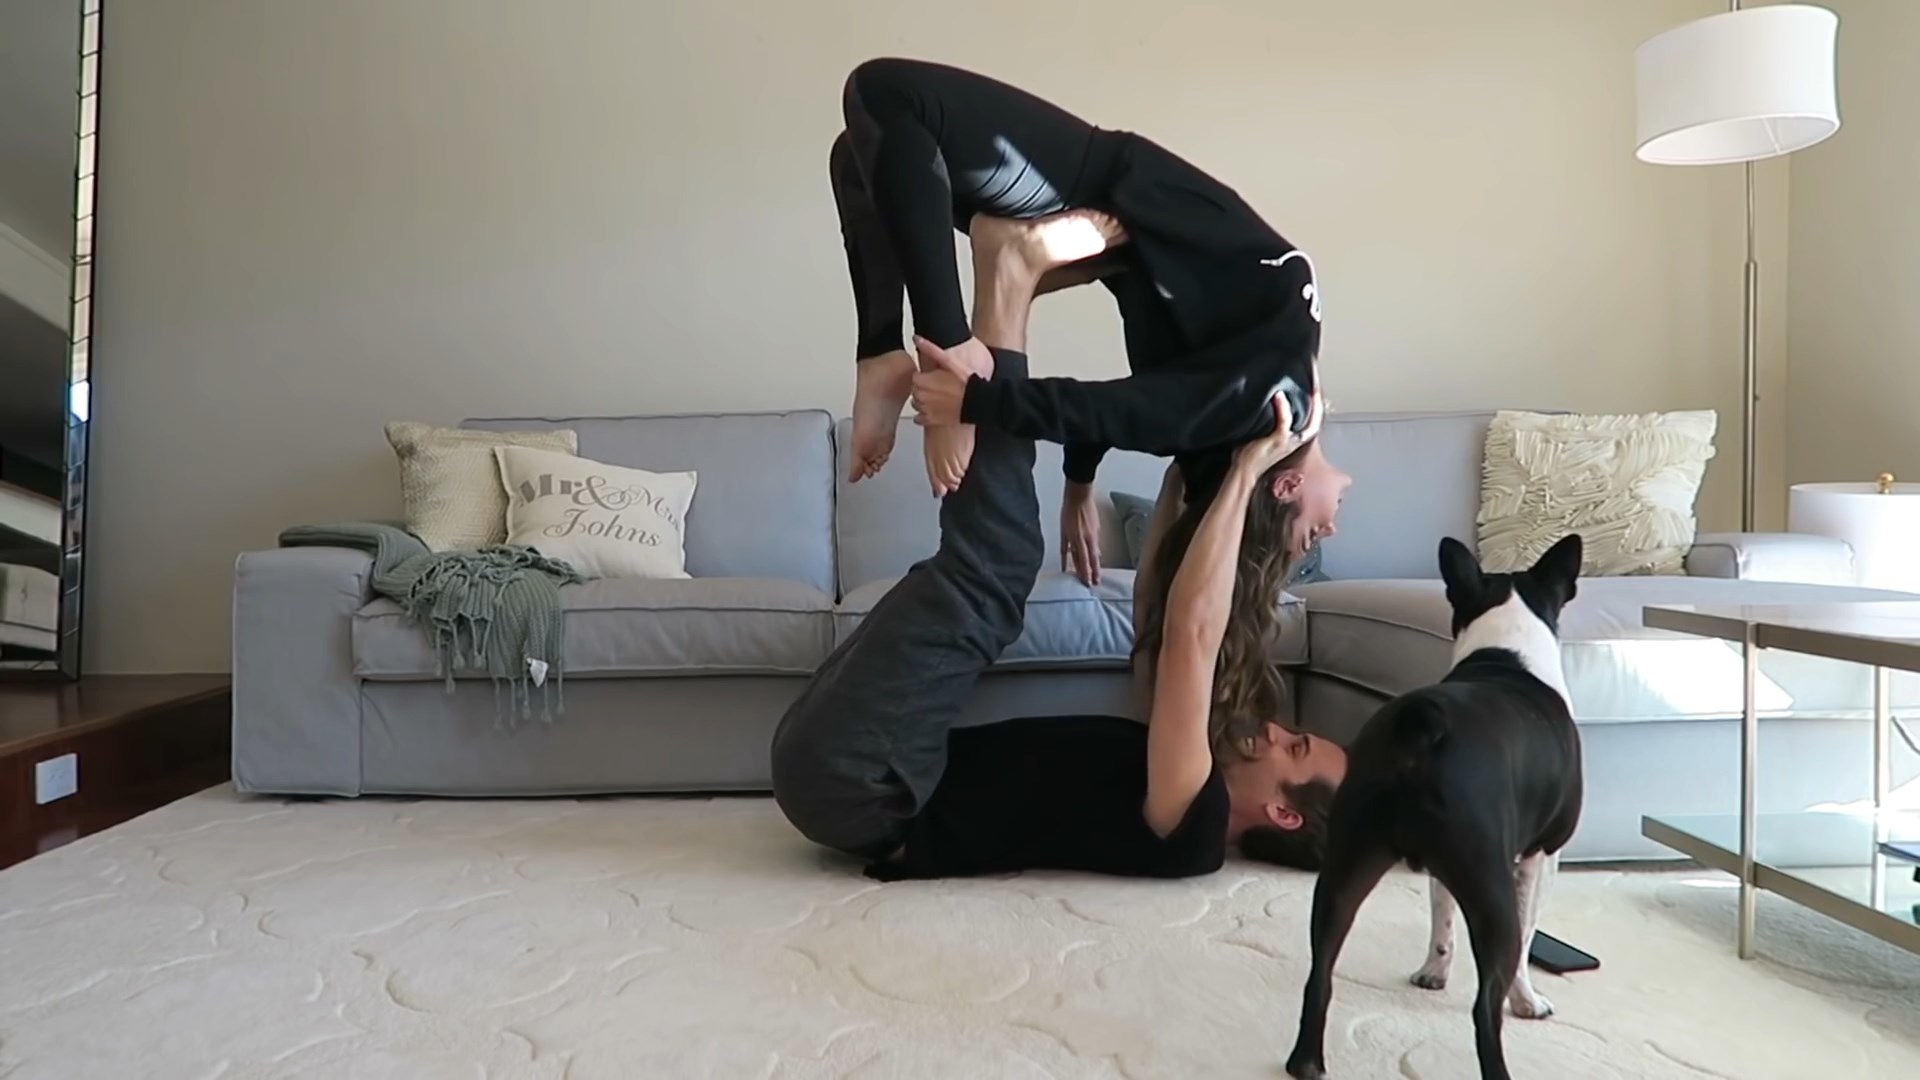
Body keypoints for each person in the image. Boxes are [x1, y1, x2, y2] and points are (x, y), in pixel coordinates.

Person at [770, 236, 1346, 880]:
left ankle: (1003, 293)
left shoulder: (1195, 826)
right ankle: (1002, 295)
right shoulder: (1177, 766)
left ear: (1283, 814)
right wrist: (1187, 469)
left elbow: (1193, 636)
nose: (1276, 730)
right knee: (991, 570)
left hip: (864, 789)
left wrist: (1246, 472)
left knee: (998, 569)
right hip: (860, 763)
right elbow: (1157, 612)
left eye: (1295, 747)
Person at [828, 56, 1353, 745]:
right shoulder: (1234, 417)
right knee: (862, 152)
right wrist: (1079, 483)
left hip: (1104, 186)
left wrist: (974, 400)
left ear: (1286, 487)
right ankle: (885, 353)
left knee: (882, 98)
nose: (1329, 530)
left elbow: (1114, 410)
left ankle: (931, 350)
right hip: (1112, 218)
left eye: (1311, 532)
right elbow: (1136, 411)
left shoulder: (1271, 405)